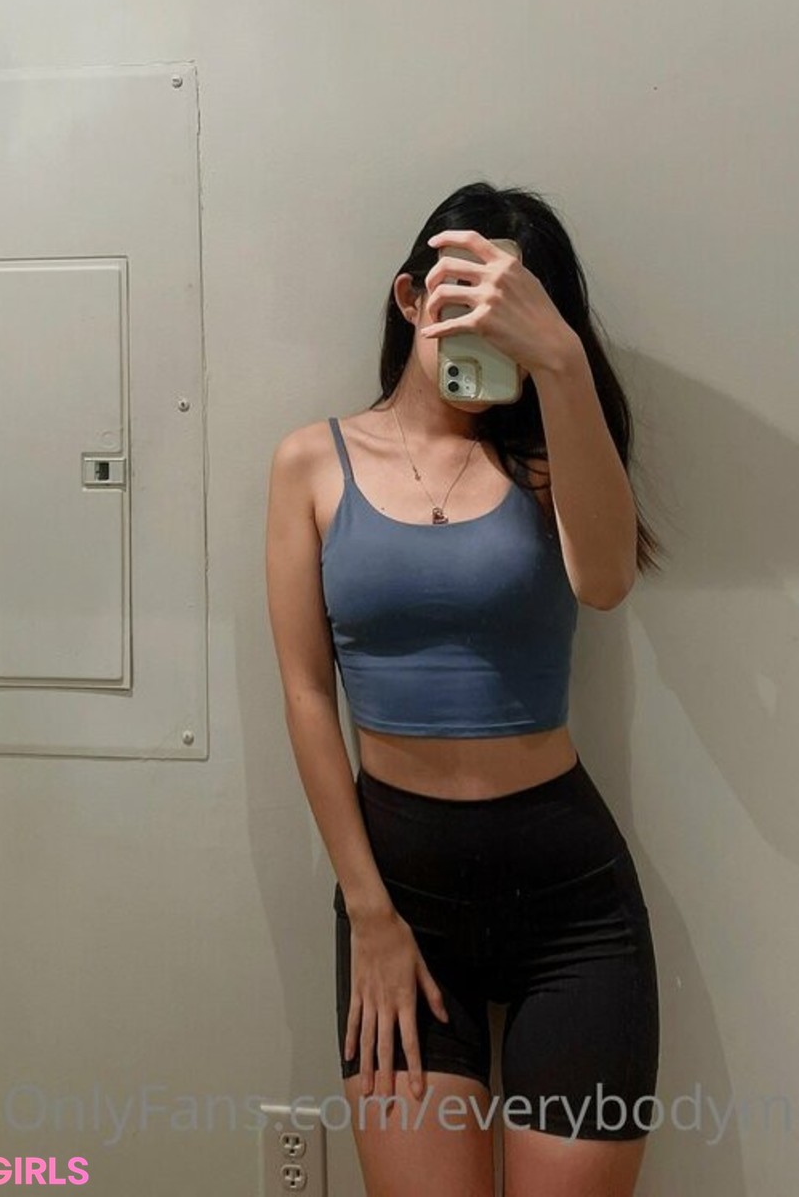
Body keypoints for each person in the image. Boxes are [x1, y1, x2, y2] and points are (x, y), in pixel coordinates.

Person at [265, 180, 664, 1197]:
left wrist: (559, 362)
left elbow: (605, 582)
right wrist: (371, 915)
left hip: (573, 911)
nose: (485, 333)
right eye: (463, 303)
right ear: (411, 298)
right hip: (399, 898)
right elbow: (308, 695)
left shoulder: (549, 463)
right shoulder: (312, 463)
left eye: (510, 309)